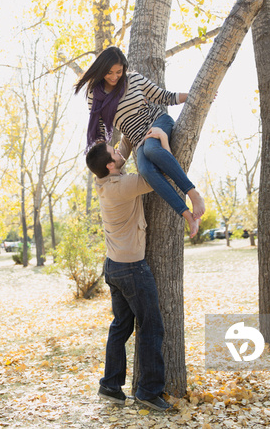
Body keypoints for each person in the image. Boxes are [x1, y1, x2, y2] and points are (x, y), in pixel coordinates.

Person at [75, 46, 205, 236]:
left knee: (152, 151)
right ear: (102, 70)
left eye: (119, 72)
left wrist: (197, 96)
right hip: (138, 140)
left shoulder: (133, 79)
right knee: (145, 171)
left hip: (158, 123)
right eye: (109, 72)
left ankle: (194, 194)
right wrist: (100, 163)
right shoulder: (94, 96)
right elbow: (100, 131)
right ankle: (188, 217)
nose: (114, 76)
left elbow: (165, 97)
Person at [85, 135, 172, 412]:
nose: (119, 152)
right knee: (151, 327)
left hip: (113, 265)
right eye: (115, 152)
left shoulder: (103, 180)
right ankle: (148, 391)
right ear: (111, 166)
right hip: (132, 268)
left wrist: (128, 136)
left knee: (121, 325)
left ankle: (110, 385)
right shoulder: (124, 185)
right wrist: (164, 145)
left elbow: (119, 153)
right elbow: (159, 177)